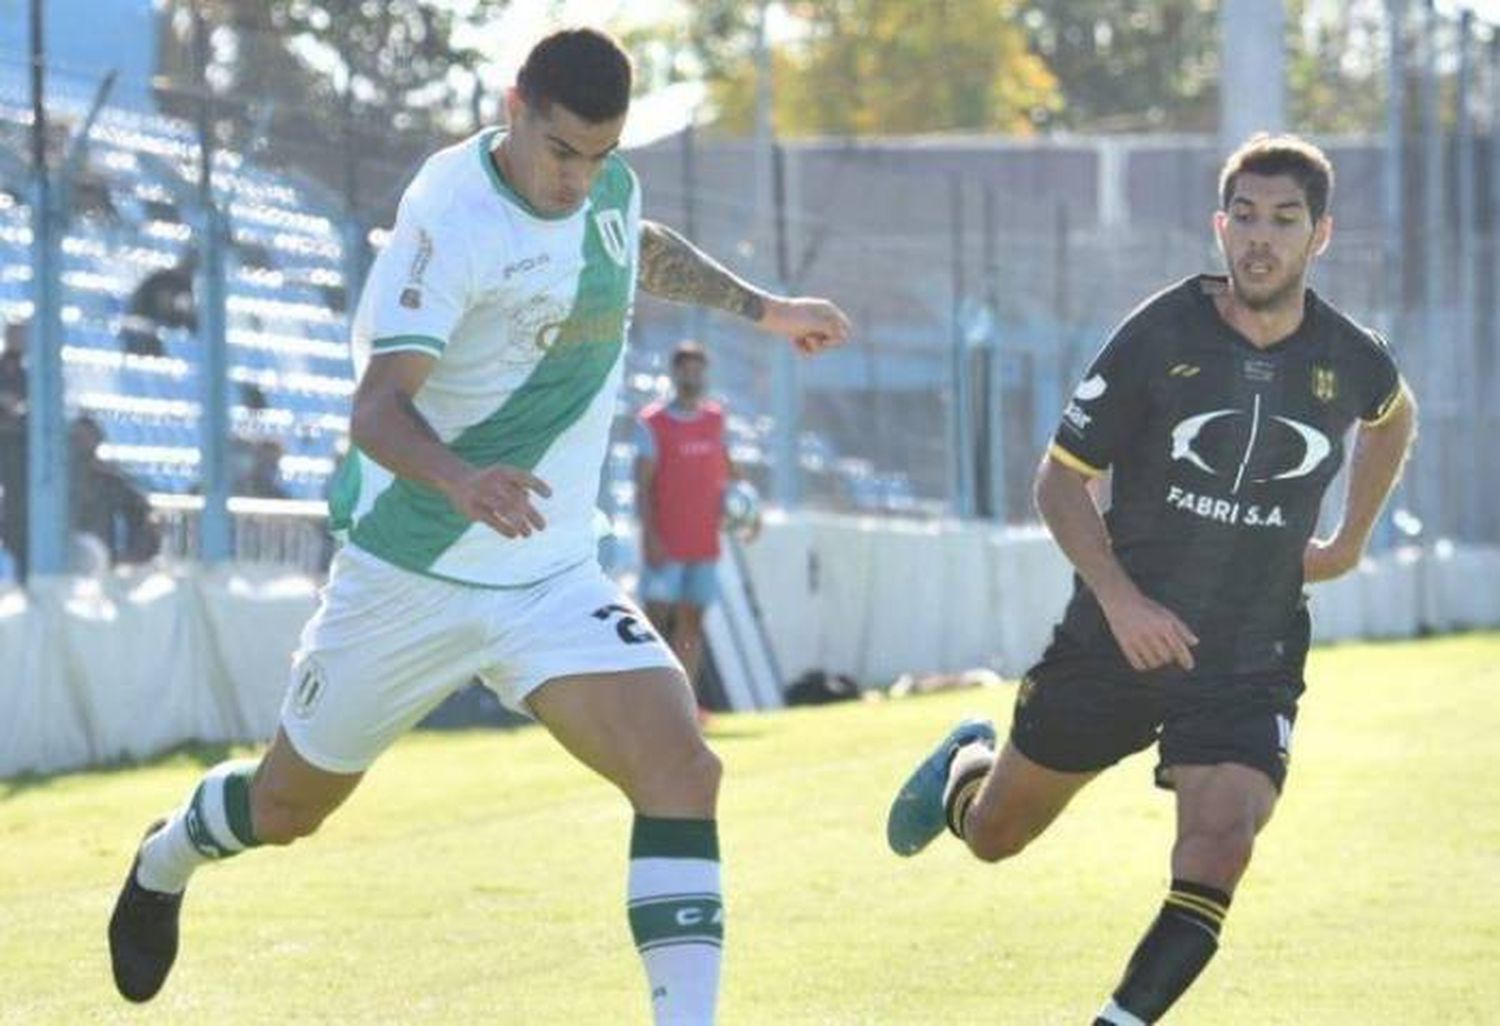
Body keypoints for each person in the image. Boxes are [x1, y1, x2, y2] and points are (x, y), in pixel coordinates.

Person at [107, 28, 851, 1024]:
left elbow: (635, 246)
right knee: (289, 808)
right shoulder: (447, 219)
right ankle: (167, 857)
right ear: (514, 106)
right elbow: (374, 411)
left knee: (683, 767)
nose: (578, 179)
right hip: (411, 569)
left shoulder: (605, 189)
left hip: (548, 576)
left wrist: (763, 310)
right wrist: (462, 481)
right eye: (561, 152)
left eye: (600, 155)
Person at [886, 134, 1417, 1026]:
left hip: (1250, 650)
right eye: (1244, 216)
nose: (1260, 237)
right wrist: (1121, 600)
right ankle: (969, 770)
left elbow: (1393, 420)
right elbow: (1059, 479)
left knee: (1221, 844)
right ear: (1219, 223)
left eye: (1284, 220)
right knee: (995, 840)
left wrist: (1350, 538)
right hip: (1117, 638)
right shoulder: (1159, 336)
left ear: (1319, 235)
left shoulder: (1348, 355)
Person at [635, 341, 757, 710]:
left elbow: (729, 469)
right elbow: (643, 485)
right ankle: (650, 706)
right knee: (656, 624)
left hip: (703, 543)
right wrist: (650, 537)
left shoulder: (714, 419)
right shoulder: (653, 422)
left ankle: (684, 706)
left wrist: (751, 513)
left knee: (692, 625)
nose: (692, 375)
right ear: (674, 374)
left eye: (697, 369)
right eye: (685, 368)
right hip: (666, 544)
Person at [70, 415, 161, 567]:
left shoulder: (109, 480)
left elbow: (144, 517)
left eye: (85, 439)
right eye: (75, 439)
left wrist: (132, 557)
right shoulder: (49, 482)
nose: (81, 445)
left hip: (99, 563)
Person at [121, 249, 197, 357]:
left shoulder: (183, 286)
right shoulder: (165, 279)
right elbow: (168, 312)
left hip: (144, 327)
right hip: (139, 326)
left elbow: (190, 323)